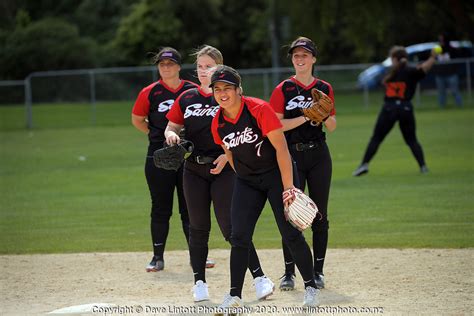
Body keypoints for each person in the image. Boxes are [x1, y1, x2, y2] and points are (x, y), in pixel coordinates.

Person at [164, 45, 274, 302]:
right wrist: (170, 135)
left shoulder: (226, 97)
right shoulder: (187, 98)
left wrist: (227, 157)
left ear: (220, 67)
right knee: (198, 227)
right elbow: (172, 126)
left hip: (225, 169)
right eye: (200, 67)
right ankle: (199, 282)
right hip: (193, 169)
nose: (203, 71)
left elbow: (242, 133)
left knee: (232, 228)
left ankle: (260, 278)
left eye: (209, 66)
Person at [210, 65, 320, 308]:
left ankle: (311, 286)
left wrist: (289, 187)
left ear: (239, 89)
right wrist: (244, 178)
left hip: (275, 177)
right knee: (238, 236)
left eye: (227, 88)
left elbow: (281, 149)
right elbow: (229, 153)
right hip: (247, 181)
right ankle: (234, 296)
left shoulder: (259, 109)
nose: (222, 93)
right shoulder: (217, 122)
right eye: (217, 89)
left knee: (290, 233)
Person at [269, 36, 336, 291]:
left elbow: (332, 125)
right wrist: (306, 116)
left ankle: (318, 272)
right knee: (291, 216)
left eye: (305, 55)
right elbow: (276, 125)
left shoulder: (324, 87)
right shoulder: (283, 89)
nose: (300, 59)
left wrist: (324, 112)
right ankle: (289, 273)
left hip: (319, 155)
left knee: (320, 215)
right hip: (291, 157)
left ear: (313, 59)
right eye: (296, 55)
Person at [131, 47, 197, 272]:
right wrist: (156, 134)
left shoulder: (192, 90)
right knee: (161, 207)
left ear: (179, 66)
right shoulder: (150, 92)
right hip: (158, 156)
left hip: (188, 155)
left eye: (170, 63)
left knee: (190, 207)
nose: (166, 67)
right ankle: (157, 256)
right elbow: (138, 119)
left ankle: (196, 256)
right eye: (162, 64)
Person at [352, 45, 437, 177]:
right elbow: (423, 68)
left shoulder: (392, 73)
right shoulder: (410, 71)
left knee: (376, 138)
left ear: (395, 59)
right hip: (406, 108)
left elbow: (383, 83)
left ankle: (364, 165)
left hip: (389, 108)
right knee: (412, 140)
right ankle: (423, 167)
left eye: (392, 58)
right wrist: (432, 57)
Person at [434, 32, 463, 107]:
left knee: (455, 90)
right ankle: (442, 107)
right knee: (441, 92)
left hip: (451, 74)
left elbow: (457, 59)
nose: (441, 41)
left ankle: (459, 105)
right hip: (440, 74)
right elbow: (433, 59)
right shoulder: (437, 49)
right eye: (439, 39)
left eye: (442, 39)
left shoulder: (451, 49)